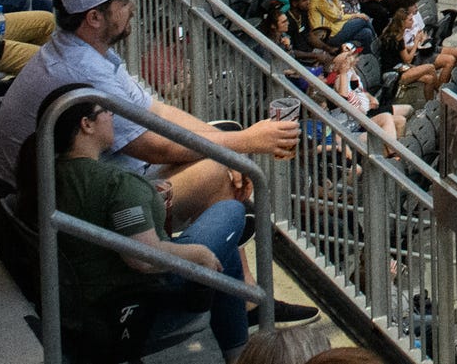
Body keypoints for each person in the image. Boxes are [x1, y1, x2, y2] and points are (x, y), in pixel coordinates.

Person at [0, 0, 300, 217]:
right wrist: (246, 142)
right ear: (94, 18)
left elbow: (156, 111)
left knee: (220, 147)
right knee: (216, 172)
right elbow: (157, 148)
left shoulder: (83, 49)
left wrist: (233, 149)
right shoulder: (82, 72)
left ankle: (227, 278)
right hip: (57, 209)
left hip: (73, 184)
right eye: (123, 3)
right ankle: (233, 287)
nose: (133, 9)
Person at [42, 90, 311, 360]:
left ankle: (239, 350)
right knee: (230, 211)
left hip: (83, 298)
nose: (113, 116)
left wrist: (146, 196)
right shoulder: (116, 183)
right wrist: (199, 254)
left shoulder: (48, 174)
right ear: (86, 125)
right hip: (140, 298)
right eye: (106, 111)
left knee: (225, 250)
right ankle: (240, 351)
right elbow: (144, 259)